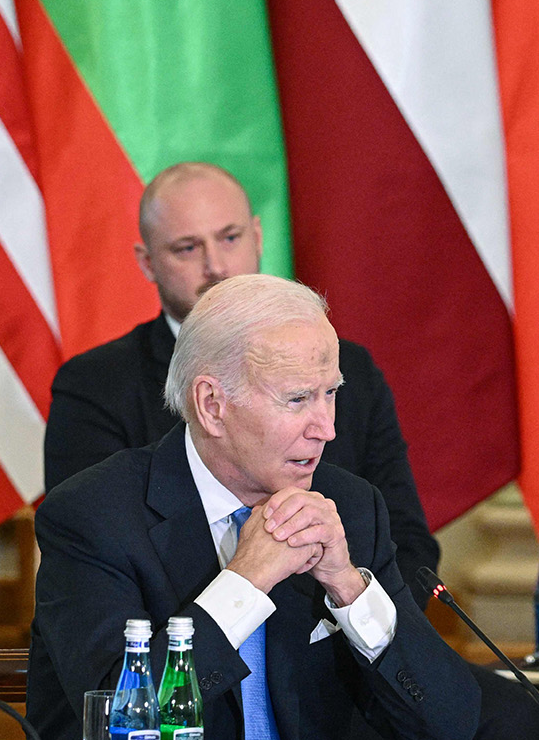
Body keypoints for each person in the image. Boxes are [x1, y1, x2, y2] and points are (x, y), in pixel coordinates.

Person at [27, 275, 481, 740]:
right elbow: (122, 726)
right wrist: (244, 583)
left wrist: (349, 589)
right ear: (212, 406)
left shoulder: (349, 508)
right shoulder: (94, 515)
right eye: (297, 399)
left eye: (330, 393)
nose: (326, 429)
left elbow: (450, 730)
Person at [45, 162, 440, 593]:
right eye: (187, 248)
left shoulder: (351, 370)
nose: (216, 266)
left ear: (257, 236)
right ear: (147, 263)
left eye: (230, 238)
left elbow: (407, 548)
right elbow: (94, 553)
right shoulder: (95, 384)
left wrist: (349, 608)